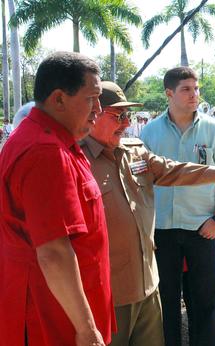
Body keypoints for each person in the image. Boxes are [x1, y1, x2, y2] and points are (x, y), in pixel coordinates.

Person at [81, 81, 215, 346]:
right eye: (119, 116)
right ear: (93, 114)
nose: (127, 123)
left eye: (128, 116)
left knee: (199, 308)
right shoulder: (76, 159)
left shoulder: (133, 151)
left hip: (147, 285)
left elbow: (174, 170)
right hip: (111, 291)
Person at [0, 51, 115, 345]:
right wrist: (87, 330)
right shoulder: (45, 152)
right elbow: (53, 254)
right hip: (53, 322)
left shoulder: (52, 140)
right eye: (91, 98)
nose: (98, 109)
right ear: (59, 99)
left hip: (60, 313)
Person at [140, 66, 215, 346]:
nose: (194, 94)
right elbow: (140, 185)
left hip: (204, 229)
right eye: (186, 89)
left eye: (196, 89)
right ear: (169, 93)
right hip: (162, 232)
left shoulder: (213, 129)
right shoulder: (149, 133)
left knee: (206, 303)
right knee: (165, 303)